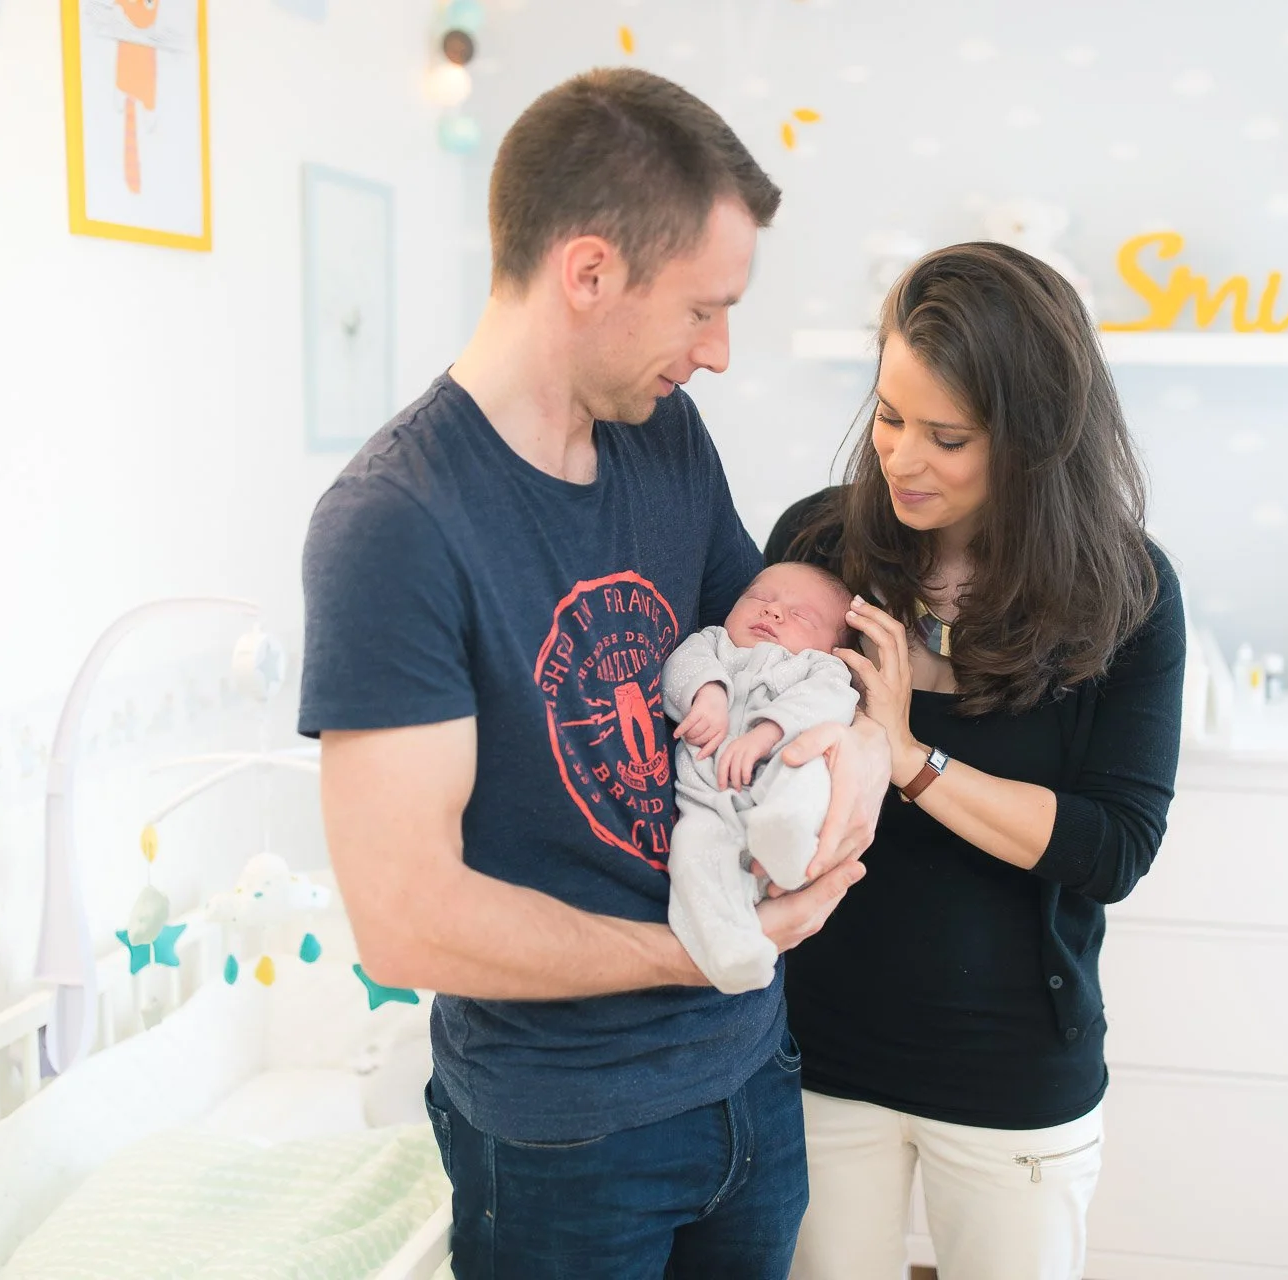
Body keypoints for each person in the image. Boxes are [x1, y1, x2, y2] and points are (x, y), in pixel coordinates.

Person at [297, 68, 890, 1279]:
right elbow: (404, 919)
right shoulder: (395, 523)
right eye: (701, 310)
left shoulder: (660, 431)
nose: (719, 354)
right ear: (588, 273)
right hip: (566, 1131)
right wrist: (698, 946)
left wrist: (869, 751)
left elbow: (774, 648)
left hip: (750, 1077)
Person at [766, 242, 1187, 1280]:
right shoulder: (820, 551)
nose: (901, 457)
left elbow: (1112, 849)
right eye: (890, 415)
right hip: (821, 1049)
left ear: (1034, 440)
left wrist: (911, 755)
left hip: (1014, 1074)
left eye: (946, 436)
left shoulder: (1124, 593)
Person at [664, 561, 860, 994]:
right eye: (759, 598)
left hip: (780, 779)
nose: (773, 612)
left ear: (834, 646)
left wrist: (769, 731)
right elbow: (679, 667)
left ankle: (785, 830)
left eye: (802, 615)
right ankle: (731, 950)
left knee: (809, 768)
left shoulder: (819, 668)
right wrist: (707, 692)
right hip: (710, 805)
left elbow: (832, 701)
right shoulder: (712, 645)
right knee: (690, 849)